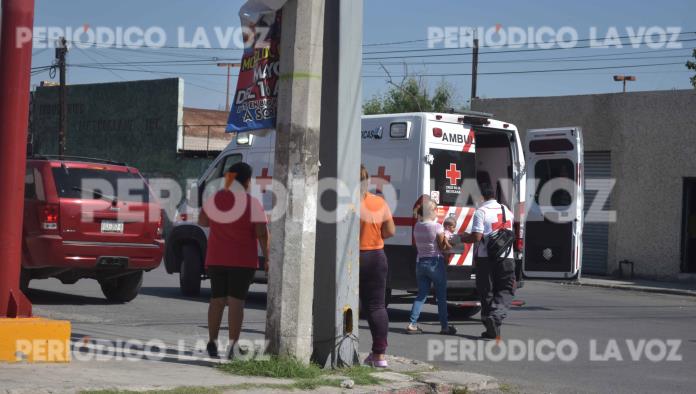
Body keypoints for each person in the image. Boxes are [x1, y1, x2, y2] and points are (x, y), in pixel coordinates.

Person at [198, 162, 270, 359]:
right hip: (242, 260)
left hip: (216, 258)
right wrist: (268, 257)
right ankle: (232, 347)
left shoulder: (215, 199)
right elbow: (261, 233)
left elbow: (202, 222)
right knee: (236, 302)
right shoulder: (252, 203)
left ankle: (212, 343)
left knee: (217, 300)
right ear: (247, 181)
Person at [460, 184, 515, 340]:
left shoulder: (481, 212)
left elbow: (477, 237)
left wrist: (463, 237)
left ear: (481, 198)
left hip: (486, 259)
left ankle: (493, 319)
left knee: (487, 292)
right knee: (505, 290)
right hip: (507, 257)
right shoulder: (507, 211)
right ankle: (493, 329)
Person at [359, 164, 396, 368]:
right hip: (376, 256)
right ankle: (379, 355)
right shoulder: (378, 202)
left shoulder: (343, 203)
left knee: (336, 303)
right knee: (376, 306)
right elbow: (390, 231)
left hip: (350, 257)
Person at [406, 198, 457, 335]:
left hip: (420, 262)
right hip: (435, 263)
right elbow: (442, 246)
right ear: (431, 211)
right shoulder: (437, 227)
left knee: (421, 295)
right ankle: (445, 327)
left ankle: (412, 324)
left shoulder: (417, 226)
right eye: (436, 209)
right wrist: (451, 243)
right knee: (441, 296)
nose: (437, 211)